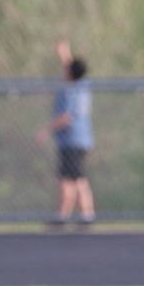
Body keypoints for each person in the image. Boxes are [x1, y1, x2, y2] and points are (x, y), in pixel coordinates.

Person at [36, 40, 95, 225]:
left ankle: (78, 214)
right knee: (75, 178)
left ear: (70, 73)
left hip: (73, 141)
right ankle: (70, 214)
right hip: (80, 140)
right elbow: (73, 69)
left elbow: (67, 117)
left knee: (72, 180)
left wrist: (46, 130)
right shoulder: (82, 85)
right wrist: (65, 53)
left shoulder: (72, 91)